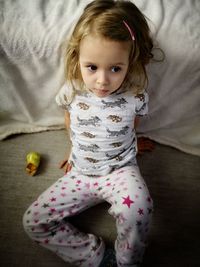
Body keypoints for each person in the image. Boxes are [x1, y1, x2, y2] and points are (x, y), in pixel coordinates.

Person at [23, 0, 155, 266]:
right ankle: (94, 256)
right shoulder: (71, 91)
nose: (102, 81)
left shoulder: (136, 96)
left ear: (131, 61)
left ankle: (126, 261)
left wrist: (132, 145)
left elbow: (132, 125)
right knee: (33, 222)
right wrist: (74, 149)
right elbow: (70, 120)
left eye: (115, 68)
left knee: (139, 211)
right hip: (80, 172)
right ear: (78, 58)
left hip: (121, 171)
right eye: (92, 67)